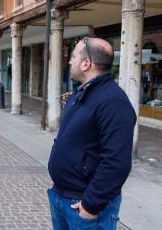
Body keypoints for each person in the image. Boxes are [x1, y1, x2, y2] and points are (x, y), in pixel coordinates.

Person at [47, 37, 137, 230]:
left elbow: (116, 163)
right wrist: (59, 175)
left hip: (85, 207)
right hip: (61, 195)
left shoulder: (113, 101)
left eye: (73, 56)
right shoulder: (82, 93)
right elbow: (70, 139)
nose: (70, 61)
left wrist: (90, 205)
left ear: (86, 63)